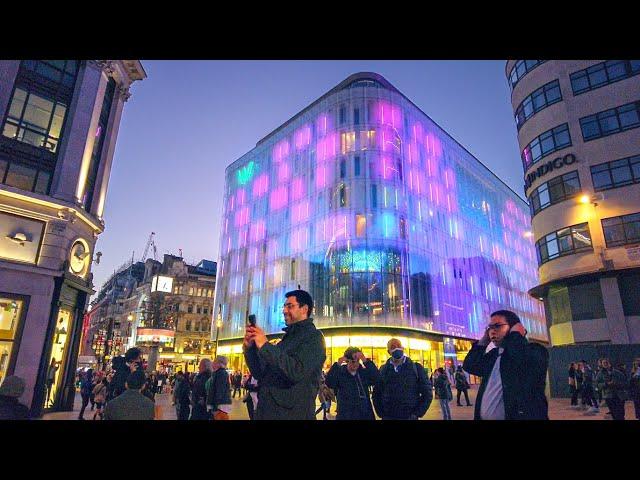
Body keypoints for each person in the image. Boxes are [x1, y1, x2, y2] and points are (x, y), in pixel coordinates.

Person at [243, 289, 326, 420]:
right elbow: (260, 373)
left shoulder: (314, 338)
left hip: (292, 414)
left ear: (304, 309)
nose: (284, 310)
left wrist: (265, 345)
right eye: (284, 306)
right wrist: (250, 349)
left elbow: (296, 371)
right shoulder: (285, 340)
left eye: (290, 306)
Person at [462, 310, 549, 420]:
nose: (493, 331)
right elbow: (470, 365)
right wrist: (484, 341)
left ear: (514, 327)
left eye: (497, 326)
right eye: (490, 327)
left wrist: (516, 334)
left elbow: (520, 358)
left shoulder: (535, 351)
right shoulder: (494, 355)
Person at [372, 338, 433, 420]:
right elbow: (376, 394)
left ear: (403, 348)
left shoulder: (416, 368)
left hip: (409, 416)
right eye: (393, 347)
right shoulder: (383, 370)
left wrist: (417, 413)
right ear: (389, 351)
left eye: (399, 346)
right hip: (389, 416)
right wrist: (381, 413)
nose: (396, 348)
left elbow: (427, 393)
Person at [325, 346, 379, 420]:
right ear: (347, 360)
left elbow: (377, 378)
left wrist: (365, 360)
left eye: (357, 360)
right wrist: (338, 364)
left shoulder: (363, 373)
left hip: (364, 414)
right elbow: (329, 383)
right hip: (346, 415)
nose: (355, 364)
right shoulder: (341, 373)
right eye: (352, 361)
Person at [206, 355, 232, 420]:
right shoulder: (218, 373)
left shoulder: (221, 374)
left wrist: (215, 407)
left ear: (219, 363)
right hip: (219, 405)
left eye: (215, 361)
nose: (212, 363)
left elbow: (219, 390)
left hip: (220, 406)